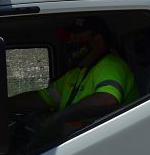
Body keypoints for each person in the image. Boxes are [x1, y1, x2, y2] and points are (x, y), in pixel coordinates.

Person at [9, 16, 137, 138]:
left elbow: (107, 98)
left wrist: (59, 117)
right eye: (70, 37)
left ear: (97, 41)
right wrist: (3, 106)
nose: (70, 42)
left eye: (76, 37)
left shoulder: (111, 65)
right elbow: (41, 98)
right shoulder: (76, 73)